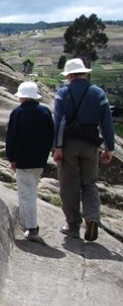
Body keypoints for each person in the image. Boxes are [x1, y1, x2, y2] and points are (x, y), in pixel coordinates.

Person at [52, 58, 115, 241]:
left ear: (70, 75)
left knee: (69, 185)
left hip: (69, 144)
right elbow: (106, 123)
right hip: (90, 144)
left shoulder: (63, 93)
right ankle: (92, 218)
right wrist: (108, 148)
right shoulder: (98, 93)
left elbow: (60, 122)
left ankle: (73, 226)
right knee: (89, 183)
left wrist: (58, 147)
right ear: (84, 73)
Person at [6, 81, 55, 242]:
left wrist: (12, 158)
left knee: (26, 193)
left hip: (23, 159)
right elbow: (50, 137)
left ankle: (31, 227)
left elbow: (11, 138)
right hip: (39, 160)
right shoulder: (45, 112)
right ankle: (29, 224)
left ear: (22, 97)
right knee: (32, 190)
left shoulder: (18, 113)